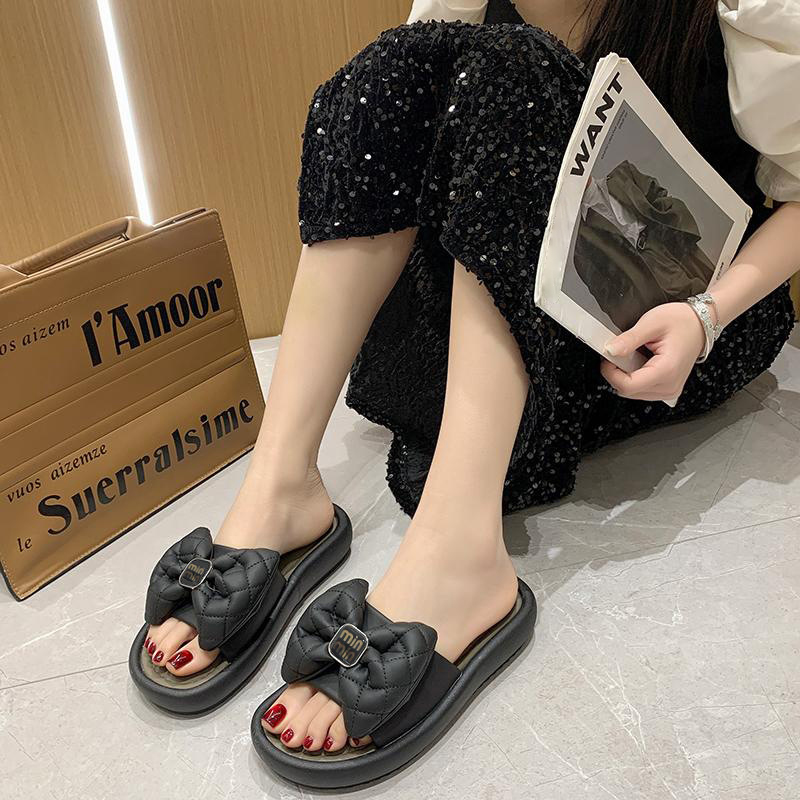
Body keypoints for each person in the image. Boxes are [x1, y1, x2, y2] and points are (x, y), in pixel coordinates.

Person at [135, 0, 800, 785]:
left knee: (515, 66)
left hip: (668, 332)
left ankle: (461, 556)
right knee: (395, 69)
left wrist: (705, 314)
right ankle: (281, 483)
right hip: (513, 312)